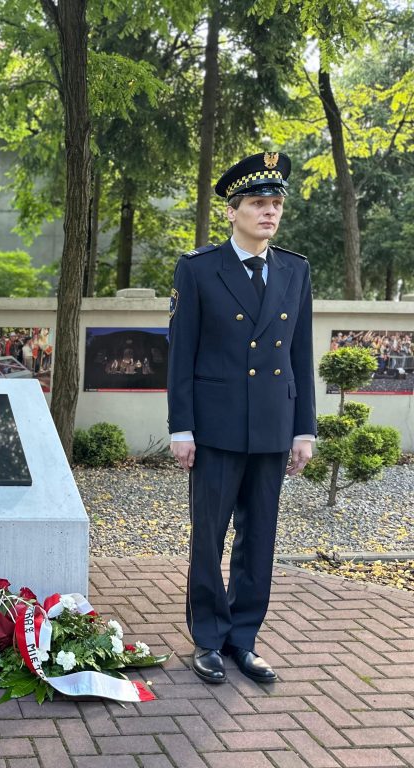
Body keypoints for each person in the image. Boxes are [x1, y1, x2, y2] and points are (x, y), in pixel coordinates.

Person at [167, 151, 315, 685]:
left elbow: (301, 353)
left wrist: (304, 429)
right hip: (216, 426)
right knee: (208, 536)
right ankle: (208, 637)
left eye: (275, 203)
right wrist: (180, 427)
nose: (269, 212)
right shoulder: (200, 268)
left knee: (261, 538)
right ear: (233, 211)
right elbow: (181, 353)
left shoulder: (296, 269)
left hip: (273, 426)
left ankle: (243, 639)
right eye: (258, 203)